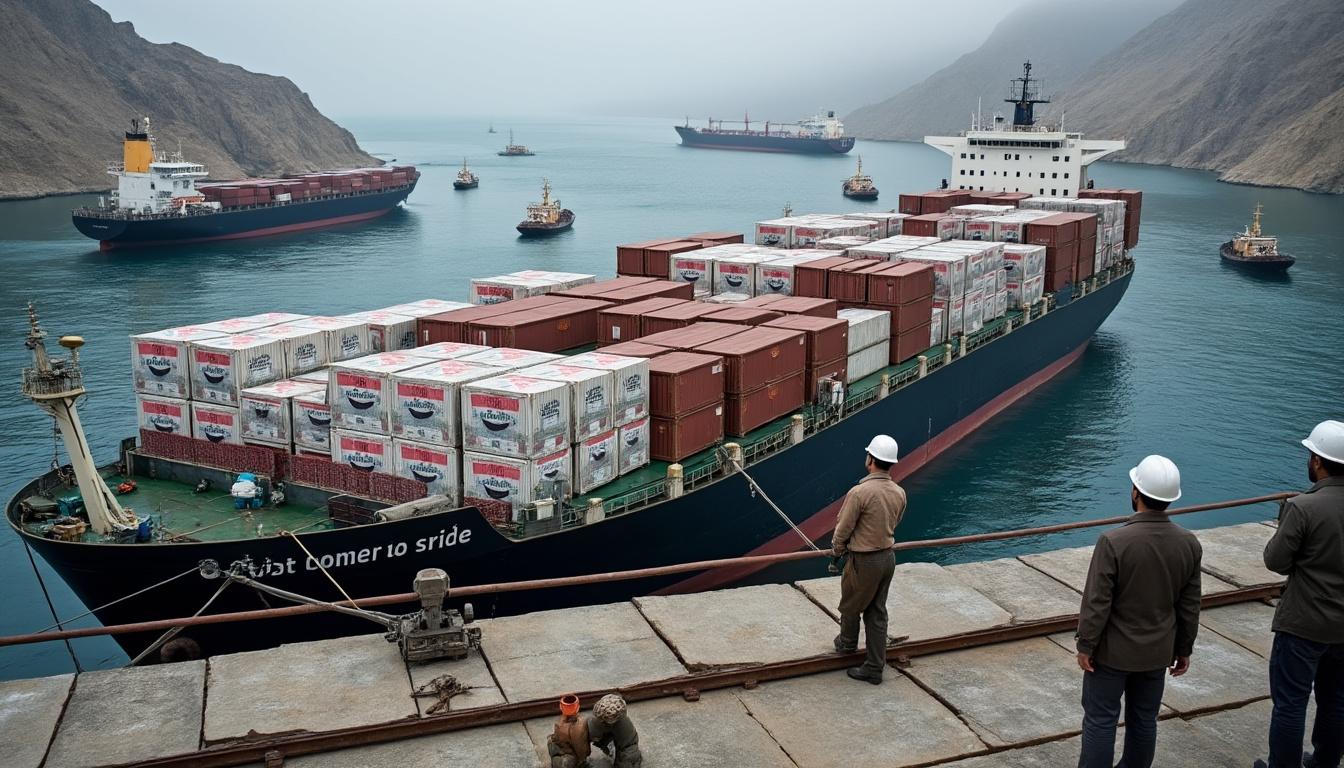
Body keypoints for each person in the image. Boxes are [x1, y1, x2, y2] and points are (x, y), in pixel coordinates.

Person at [1075, 455, 1202, 768]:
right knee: (1144, 721)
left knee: (1101, 721)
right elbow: (1189, 604)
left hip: (1111, 655)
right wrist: (1184, 648)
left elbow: (1097, 602)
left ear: (1135, 492)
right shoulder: (1189, 544)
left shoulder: (1114, 541)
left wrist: (1085, 644)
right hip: (1156, 654)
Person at [1256, 420, 1344, 768]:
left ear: (1319, 462)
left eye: (1311, 456)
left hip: (1304, 623)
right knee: (1337, 700)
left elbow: (1275, 561)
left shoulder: (1303, 507)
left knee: (1291, 702)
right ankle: (1325, 762)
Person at [831, 434, 906, 685]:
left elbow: (843, 528)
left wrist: (836, 552)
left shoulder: (859, 492)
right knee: (876, 612)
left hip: (865, 561)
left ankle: (847, 645)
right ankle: (875, 666)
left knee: (850, 606)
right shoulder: (899, 492)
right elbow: (895, 521)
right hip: (888, 558)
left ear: (871, 459)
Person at [587, 694, 641, 768]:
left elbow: (630, 744)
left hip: (626, 743)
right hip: (603, 733)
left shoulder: (624, 726)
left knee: (629, 758)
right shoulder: (595, 722)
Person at [547, 694, 590, 768]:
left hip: (562, 750)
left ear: (561, 707)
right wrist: (582, 759)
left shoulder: (558, 724)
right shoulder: (581, 725)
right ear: (578, 707)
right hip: (570, 755)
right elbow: (581, 750)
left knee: (550, 740)